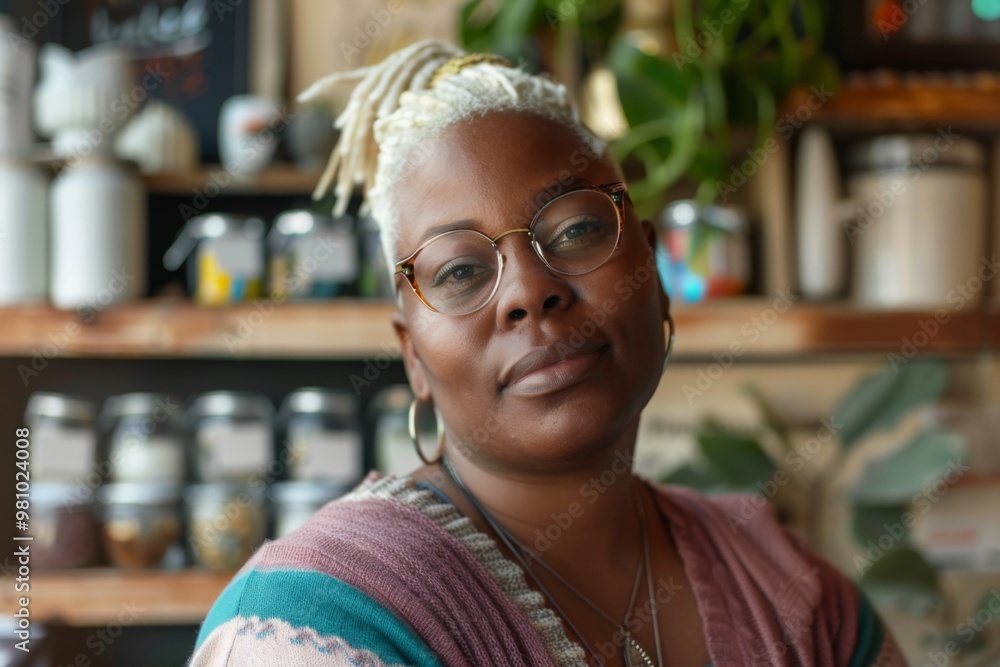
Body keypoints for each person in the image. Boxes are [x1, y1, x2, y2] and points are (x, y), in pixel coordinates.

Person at [189, 40, 905, 667]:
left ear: (653, 273)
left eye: (574, 231)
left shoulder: (795, 594)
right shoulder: (317, 622)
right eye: (461, 271)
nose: (529, 290)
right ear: (412, 357)